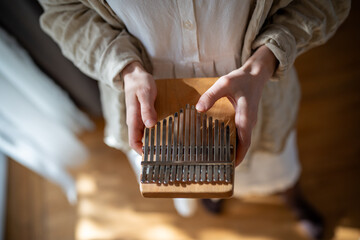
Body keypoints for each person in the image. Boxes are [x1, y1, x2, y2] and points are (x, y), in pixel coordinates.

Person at [38, 0, 350, 239]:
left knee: (274, 159)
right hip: (152, 100)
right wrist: (125, 68)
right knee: (194, 174)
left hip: (256, 83)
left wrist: (265, 61)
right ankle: (209, 192)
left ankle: (290, 195)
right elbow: (64, 10)